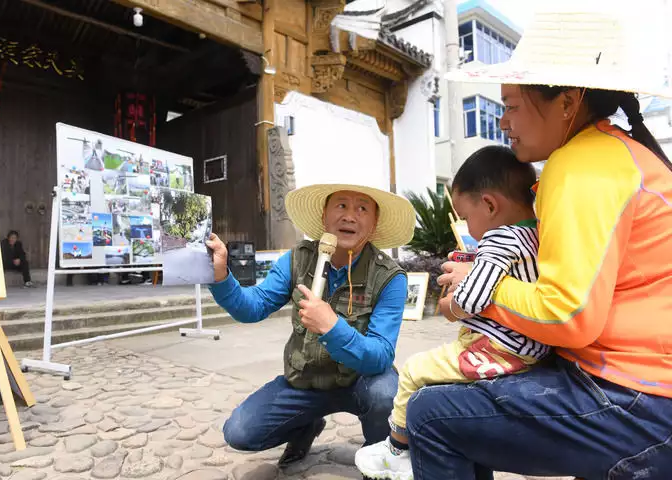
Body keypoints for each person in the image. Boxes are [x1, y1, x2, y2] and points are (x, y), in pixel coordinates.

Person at [404, 4, 672, 479]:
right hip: (646, 383)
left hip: (637, 397)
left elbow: (567, 314)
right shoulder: (614, 153)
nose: (503, 122)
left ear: (568, 102)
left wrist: (478, 285)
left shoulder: (581, 166)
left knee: (431, 414)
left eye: (510, 106)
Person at [355, 146, 548, 479]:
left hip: (502, 349)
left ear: (489, 205)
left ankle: (398, 449)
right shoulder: (534, 233)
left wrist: (449, 305)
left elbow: (471, 300)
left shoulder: (500, 238)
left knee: (414, 370)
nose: (467, 226)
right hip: (531, 348)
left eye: (465, 216)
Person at [205, 182, 415, 467]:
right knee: (239, 432)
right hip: (304, 382)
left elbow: (380, 355)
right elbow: (252, 307)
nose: (350, 216)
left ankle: (377, 457)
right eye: (341, 205)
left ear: (374, 224)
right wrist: (221, 275)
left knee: (385, 394)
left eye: (362, 208)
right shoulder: (297, 259)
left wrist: (332, 327)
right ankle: (306, 426)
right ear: (323, 217)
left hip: (359, 381)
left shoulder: (390, 277)